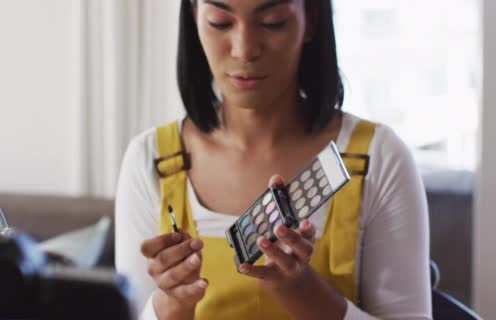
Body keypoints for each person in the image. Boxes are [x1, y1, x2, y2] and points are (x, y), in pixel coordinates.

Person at [115, 0, 431, 319]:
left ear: (312, 19)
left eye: (272, 22)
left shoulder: (379, 158)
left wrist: (305, 293)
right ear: (195, 18)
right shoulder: (151, 160)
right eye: (220, 23)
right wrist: (172, 303)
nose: (245, 50)